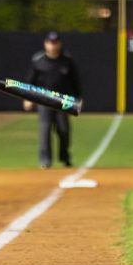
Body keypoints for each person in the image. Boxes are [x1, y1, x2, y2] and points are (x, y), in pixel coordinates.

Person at [23, 32, 82, 169]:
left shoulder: (67, 61)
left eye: (55, 43)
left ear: (59, 44)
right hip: (43, 100)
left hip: (62, 100)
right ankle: (45, 161)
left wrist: (78, 99)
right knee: (45, 129)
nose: (52, 46)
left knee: (64, 130)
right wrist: (27, 98)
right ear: (45, 44)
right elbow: (29, 81)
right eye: (50, 43)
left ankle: (65, 157)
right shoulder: (38, 60)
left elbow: (75, 81)